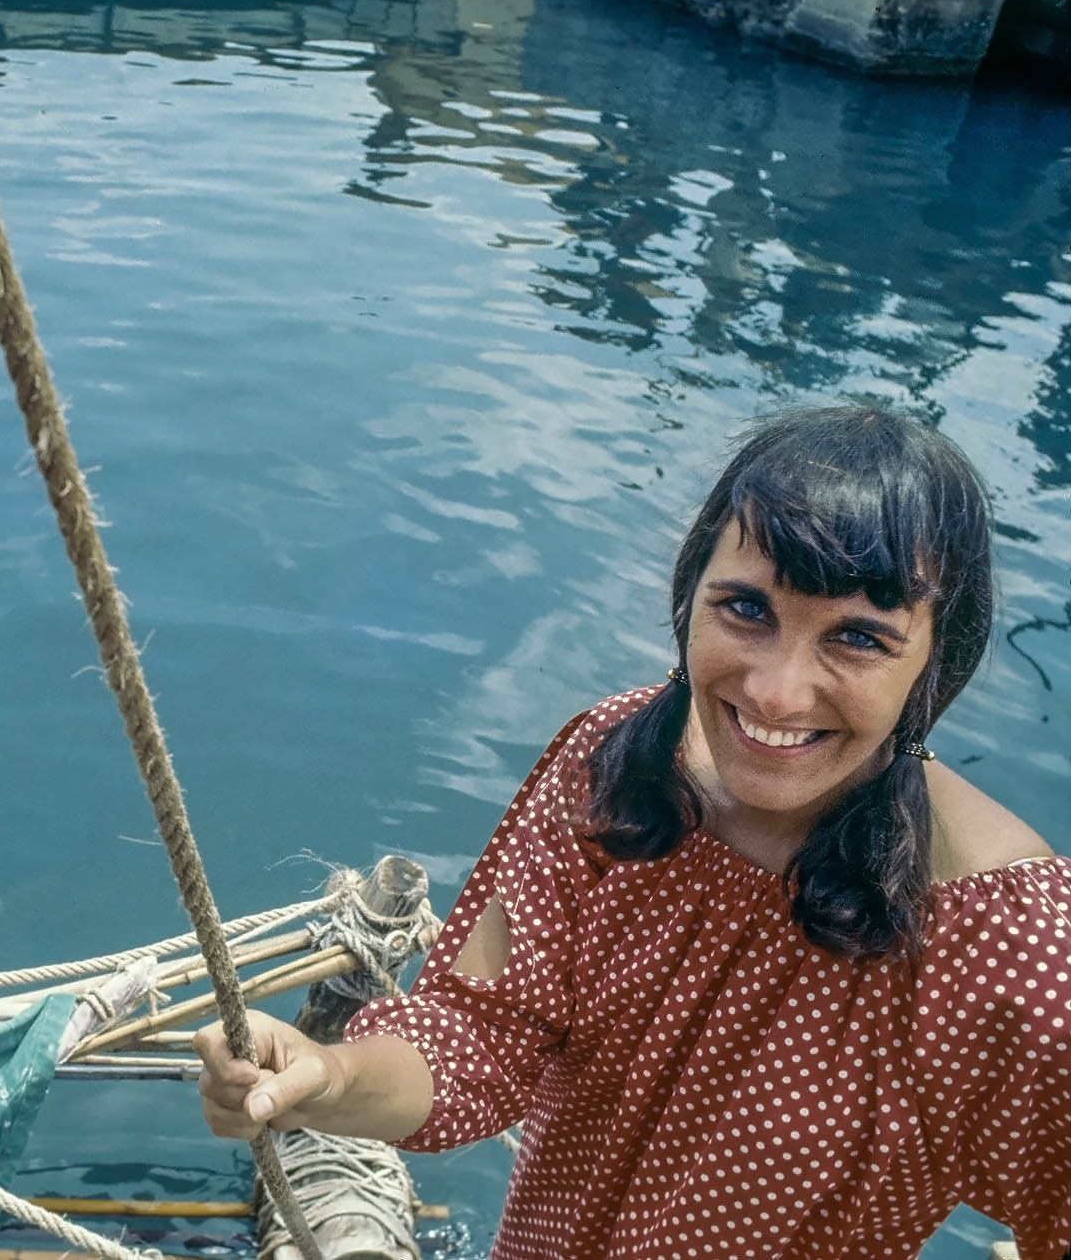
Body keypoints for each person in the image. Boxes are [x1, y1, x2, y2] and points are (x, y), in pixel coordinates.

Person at [196, 407, 1071, 1258]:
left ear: (934, 667)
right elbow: (479, 1040)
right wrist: (329, 1078)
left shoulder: (1017, 945)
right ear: (687, 600)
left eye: (858, 639)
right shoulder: (611, 770)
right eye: (747, 610)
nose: (776, 691)